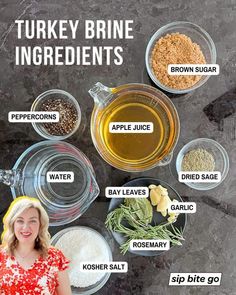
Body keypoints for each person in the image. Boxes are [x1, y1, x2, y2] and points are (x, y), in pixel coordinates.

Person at [0, 196, 72, 295]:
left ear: (40, 225)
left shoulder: (54, 257)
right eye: (20, 221)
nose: (26, 227)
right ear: (13, 224)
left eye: (32, 221)